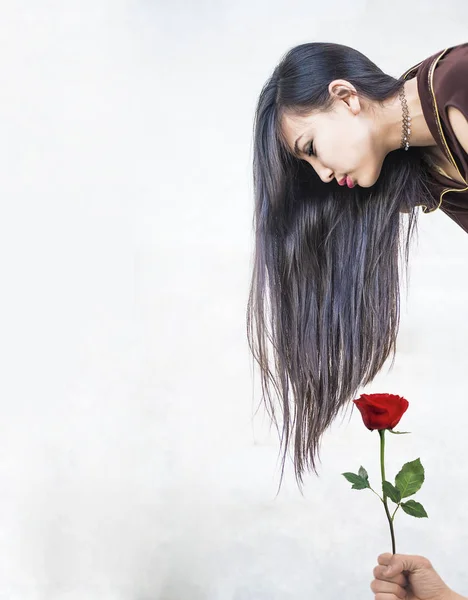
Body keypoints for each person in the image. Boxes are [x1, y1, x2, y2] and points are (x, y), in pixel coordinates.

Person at [246, 42, 468, 599]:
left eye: (311, 149)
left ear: (345, 98)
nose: (321, 174)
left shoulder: (457, 87)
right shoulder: (427, 168)